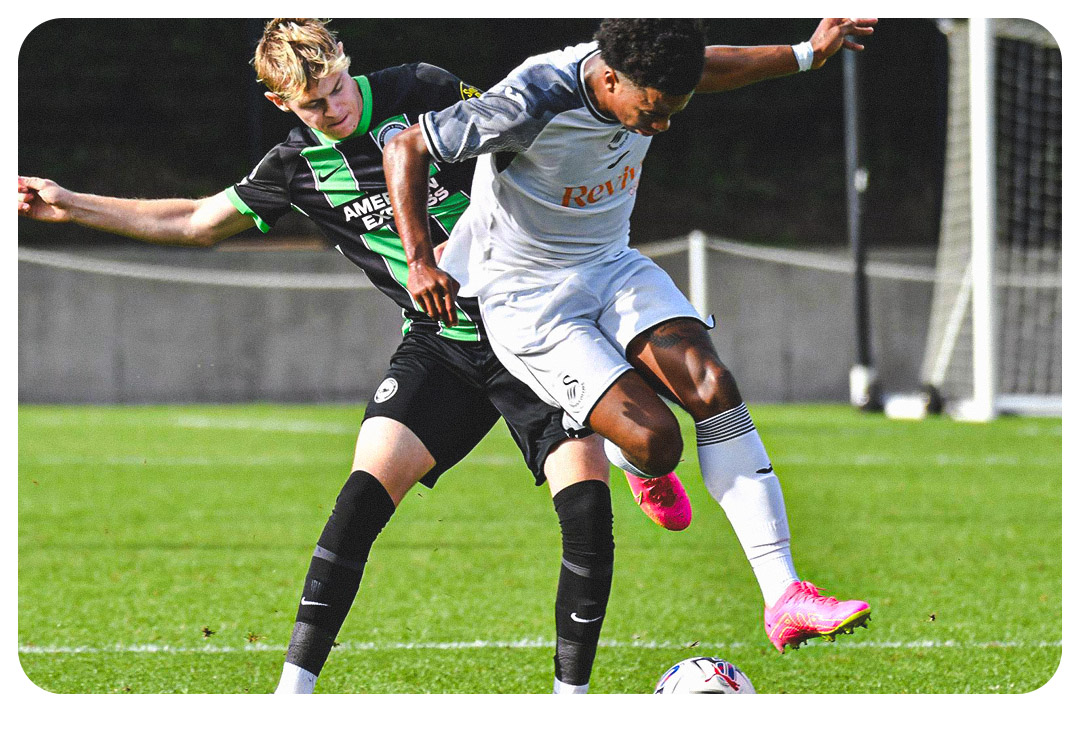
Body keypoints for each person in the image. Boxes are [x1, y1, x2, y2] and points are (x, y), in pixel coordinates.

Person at [17, 18, 691, 694]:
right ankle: (292, 698)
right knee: (360, 497)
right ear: (280, 104)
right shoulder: (294, 167)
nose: (333, 109)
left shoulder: (423, 89)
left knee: (585, 516)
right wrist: (70, 204)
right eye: (312, 104)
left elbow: (524, 134)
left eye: (337, 88)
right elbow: (196, 221)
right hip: (441, 348)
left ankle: (570, 704)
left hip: (538, 331)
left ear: (346, 61)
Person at [384, 17, 876, 654]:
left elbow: (716, 65)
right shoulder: (535, 96)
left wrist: (808, 53)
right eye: (651, 110)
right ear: (610, 78)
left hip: (612, 265)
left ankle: (784, 594)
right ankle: (633, 461)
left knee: (713, 384)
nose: (662, 125)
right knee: (657, 441)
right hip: (528, 299)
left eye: (675, 109)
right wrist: (420, 259)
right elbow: (405, 147)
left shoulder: (653, 72)